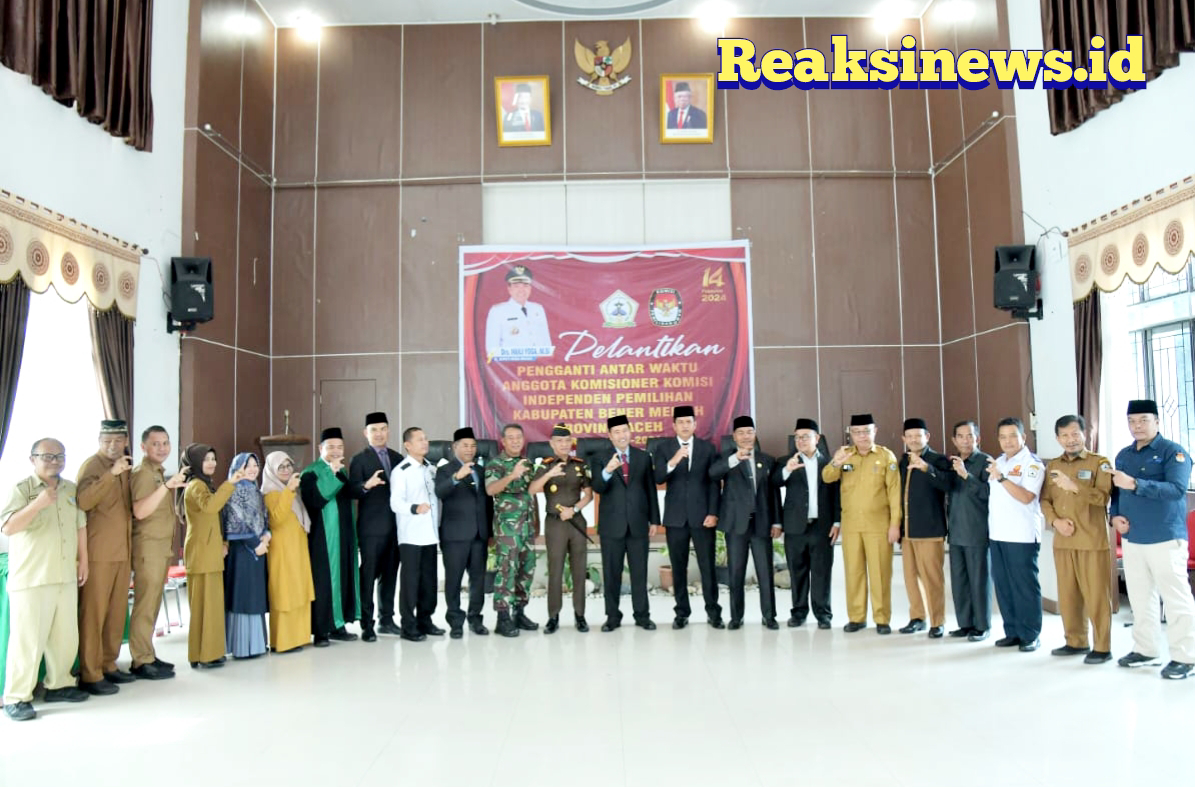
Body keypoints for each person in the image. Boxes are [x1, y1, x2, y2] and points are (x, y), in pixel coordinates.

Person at [2, 439, 89, 721]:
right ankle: (17, 697)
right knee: (27, 641)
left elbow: (80, 525)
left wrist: (84, 560)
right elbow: (8, 527)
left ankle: (59, 684)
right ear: (33, 459)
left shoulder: (70, 489)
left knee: (65, 636)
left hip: (64, 574)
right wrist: (37, 505)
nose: (55, 461)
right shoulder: (22, 489)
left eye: (60, 456)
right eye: (47, 456)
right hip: (32, 577)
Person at [1109, 399, 1195, 679]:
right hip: (1133, 538)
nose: (1137, 426)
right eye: (1132, 421)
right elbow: (1116, 492)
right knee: (1140, 597)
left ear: (1157, 422)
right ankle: (1146, 650)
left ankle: (1186, 657)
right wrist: (1114, 516)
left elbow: (1176, 490)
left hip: (1165, 537)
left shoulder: (1173, 452)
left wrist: (1136, 484)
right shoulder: (1124, 455)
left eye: (1143, 420)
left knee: (1175, 599)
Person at [1039, 415, 1114, 665]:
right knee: (1068, 595)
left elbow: (1103, 498)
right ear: (1057, 438)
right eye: (1064, 435)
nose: (1070, 440)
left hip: (1091, 541)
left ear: (1084, 434)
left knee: (1096, 596)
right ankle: (1075, 641)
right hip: (1063, 541)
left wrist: (1075, 487)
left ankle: (1102, 647)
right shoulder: (1053, 465)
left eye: (1074, 434)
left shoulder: (1099, 463)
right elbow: (1045, 500)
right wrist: (1055, 522)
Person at [822, 414, 901, 634]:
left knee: (880, 574)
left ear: (875, 431)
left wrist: (895, 524)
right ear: (851, 434)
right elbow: (827, 477)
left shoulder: (886, 456)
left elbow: (894, 493)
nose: (862, 436)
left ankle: (882, 618)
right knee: (854, 573)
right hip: (852, 526)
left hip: (879, 526)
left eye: (866, 431)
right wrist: (836, 462)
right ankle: (856, 618)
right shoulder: (845, 455)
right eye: (857, 432)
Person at [75, 419, 135, 695]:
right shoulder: (92, 466)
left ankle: (109, 664)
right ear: (99, 441)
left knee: (116, 613)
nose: (113, 445)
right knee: (94, 614)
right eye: (107, 441)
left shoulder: (126, 466)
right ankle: (90, 673)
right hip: (99, 554)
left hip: (122, 551)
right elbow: (83, 502)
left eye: (118, 440)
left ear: (126, 441)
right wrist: (111, 474)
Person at [652, 405, 723, 629]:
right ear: (674, 426)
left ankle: (713, 612)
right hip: (676, 518)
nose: (684, 425)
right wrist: (673, 461)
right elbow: (658, 477)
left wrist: (713, 512)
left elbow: (714, 484)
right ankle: (682, 613)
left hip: (703, 517)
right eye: (680, 422)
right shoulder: (664, 448)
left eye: (688, 422)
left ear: (695, 425)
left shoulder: (707, 448)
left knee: (707, 566)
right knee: (678, 567)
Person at [590, 414, 660, 632]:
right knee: (612, 574)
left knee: (639, 573)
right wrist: (607, 471)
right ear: (610, 436)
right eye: (617, 432)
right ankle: (612, 617)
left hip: (638, 524)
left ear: (630, 432)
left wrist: (654, 520)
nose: (622, 435)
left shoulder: (643, 457)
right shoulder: (600, 458)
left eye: (625, 430)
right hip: (612, 526)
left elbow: (650, 490)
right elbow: (597, 487)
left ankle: (642, 615)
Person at [710, 415, 780, 630]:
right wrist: (735, 459)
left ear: (755, 434)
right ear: (734, 437)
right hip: (736, 525)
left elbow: (773, 494)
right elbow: (713, 474)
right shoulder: (726, 458)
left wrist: (777, 522)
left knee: (765, 573)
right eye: (741, 433)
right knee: (736, 573)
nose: (746, 436)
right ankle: (736, 617)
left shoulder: (767, 460)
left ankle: (769, 616)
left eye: (749, 432)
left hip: (762, 524)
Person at [128, 426, 188, 679]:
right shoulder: (143, 474)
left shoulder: (158, 473)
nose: (162, 448)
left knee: (153, 604)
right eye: (156, 444)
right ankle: (140, 660)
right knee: (145, 605)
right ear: (143, 447)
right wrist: (167, 486)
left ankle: (147, 654)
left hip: (160, 548)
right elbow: (140, 511)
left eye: (165, 443)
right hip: (147, 548)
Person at [773, 418, 839, 629]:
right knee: (797, 572)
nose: (800, 441)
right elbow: (774, 482)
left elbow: (837, 494)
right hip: (795, 527)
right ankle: (799, 612)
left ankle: (823, 614)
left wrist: (837, 521)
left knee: (821, 572)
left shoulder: (830, 463)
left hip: (822, 526)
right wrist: (787, 470)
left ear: (817, 438)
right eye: (797, 437)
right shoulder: (786, 461)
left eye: (805, 437)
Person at [986, 417, 1045, 653]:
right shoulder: (999, 461)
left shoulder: (1032, 464)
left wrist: (1002, 478)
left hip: (1021, 535)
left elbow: (1026, 497)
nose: (1007, 441)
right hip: (998, 533)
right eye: (1003, 437)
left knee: (1024, 587)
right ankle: (1012, 631)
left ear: (1024, 437)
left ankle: (1030, 634)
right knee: (1003, 585)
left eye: (1013, 436)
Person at [529, 423, 594, 634]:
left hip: (576, 521)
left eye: (567, 441)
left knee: (579, 569)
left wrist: (573, 509)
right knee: (555, 570)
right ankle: (553, 616)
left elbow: (589, 495)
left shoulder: (580, 465)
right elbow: (532, 489)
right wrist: (549, 475)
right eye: (559, 441)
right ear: (552, 444)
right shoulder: (545, 465)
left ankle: (580, 615)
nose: (564, 445)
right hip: (555, 523)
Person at [180, 444, 240, 668]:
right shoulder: (197, 485)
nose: (212, 463)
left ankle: (204, 653)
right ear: (195, 462)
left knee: (209, 606)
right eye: (206, 459)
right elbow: (210, 507)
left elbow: (215, 519)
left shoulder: (205, 484)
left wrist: (223, 543)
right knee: (204, 607)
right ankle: (204, 654)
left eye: (213, 458)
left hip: (209, 552)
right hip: (202, 553)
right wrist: (230, 484)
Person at [300, 428, 360, 646]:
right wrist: (331, 473)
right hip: (322, 538)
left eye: (340, 447)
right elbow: (316, 500)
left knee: (342, 577)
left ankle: (338, 624)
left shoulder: (342, 470)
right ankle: (321, 631)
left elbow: (349, 493)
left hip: (343, 535)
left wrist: (365, 486)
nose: (336, 451)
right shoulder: (310, 473)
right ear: (320, 448)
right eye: (331, 447)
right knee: (323, 582)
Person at [348, 411, 402, 642]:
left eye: (382, 429)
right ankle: (366, 623)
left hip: (396, 528)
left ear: (388, 430)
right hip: (371, 529)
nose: (379, 434)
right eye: (374, 430)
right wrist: (366, 485)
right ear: (366, 433)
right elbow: (351, 490)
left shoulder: (398, 458)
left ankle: (386, 620)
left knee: (390, 575)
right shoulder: (359, 460)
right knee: (368, 575)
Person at [897, 417, 953, 639]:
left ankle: (937, 621)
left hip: (930, 530)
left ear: (927, 436)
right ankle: (917, 618)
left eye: (918, 435)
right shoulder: (903, 460)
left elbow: (948, 484)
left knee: (932, 579)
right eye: (909, 436)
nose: (913, 440)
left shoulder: (938, 460)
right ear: (904, 439)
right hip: (908, 531)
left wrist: (926, 468)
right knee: (911, 578)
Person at [435, 427, 493, 638]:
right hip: (455, 536)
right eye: (465, 445)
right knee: (454, 580)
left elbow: (487, 503)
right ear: (455, 447)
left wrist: (490, 532)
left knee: (478, 580)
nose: (470, 449)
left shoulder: (481, 470)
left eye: (473, 446)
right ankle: (455, 622)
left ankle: (475, 619)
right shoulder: (445, 469)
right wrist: (456, 477)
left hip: (479, 535)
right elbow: (440, 492)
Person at [389, 427, 444, 642]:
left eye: (426, 438)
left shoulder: (430, 468)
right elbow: (395, 503)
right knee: (410, 582)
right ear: (408, 445)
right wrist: (414, 508)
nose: (425, 442)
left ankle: (425, 620)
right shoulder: (401, 471)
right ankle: (408, 625)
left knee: (429, 581)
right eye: (420, 439)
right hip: (411, 535)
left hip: (430, 533)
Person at [484, 423, 539, 637]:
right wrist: (512, 475)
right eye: (511, 437)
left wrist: (536, 523)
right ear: (503, 441)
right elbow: (491, 489)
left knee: (527, 569)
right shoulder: (495, 464)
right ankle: (503, 617)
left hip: (527, 526)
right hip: (507, 530)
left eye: (519, 437)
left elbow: (531, 493)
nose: (516, 441)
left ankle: (519, 613)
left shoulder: (527, 463)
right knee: (507, 570)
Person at [260, 452, 315, 653]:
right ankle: (283, 641)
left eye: (288, 466)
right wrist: (289, 491)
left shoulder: (287, 490)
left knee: (298, 590)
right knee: (285, 592)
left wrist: (290, 490)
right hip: (282, 550)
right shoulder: (271, 492)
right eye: (280, 467)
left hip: (296, 547)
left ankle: (299, 637)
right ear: (271, 470)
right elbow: (276, 519)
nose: (285, 470)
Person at [945, 420, 993, 642]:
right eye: (961, 436)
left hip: (977, 531)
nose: (965, 440)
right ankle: (965, 624)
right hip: (955, 531)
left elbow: (988, 493)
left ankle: (982, 626)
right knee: (959, 581)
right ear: (954, 440)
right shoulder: (952, 463)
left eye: (970, 436)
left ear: (978, 439)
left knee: (979, 581)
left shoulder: (986, 462)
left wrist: (967, 475)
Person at [221, 453, 270, 659]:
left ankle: (257, 645)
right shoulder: (234, 490)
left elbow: (263, 518)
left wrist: (266, 535)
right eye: (246, 465)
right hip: (242, 551)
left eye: (255, 465)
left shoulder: (255, 490)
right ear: (237, 468)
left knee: (255, 595)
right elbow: (235, 522)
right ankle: (242, 647)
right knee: (243, 595)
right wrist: (256, 544)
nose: (252, 469)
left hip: (259, 549)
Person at [484, 266, 553, 362]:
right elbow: (492, 349)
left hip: (539, 365)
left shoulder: (538, 309)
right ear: (509, 289)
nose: (521, 290)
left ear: (530, 288)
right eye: (516, 286)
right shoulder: (498, 311)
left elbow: (546, 343)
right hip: (512, 366)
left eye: (525, 286)